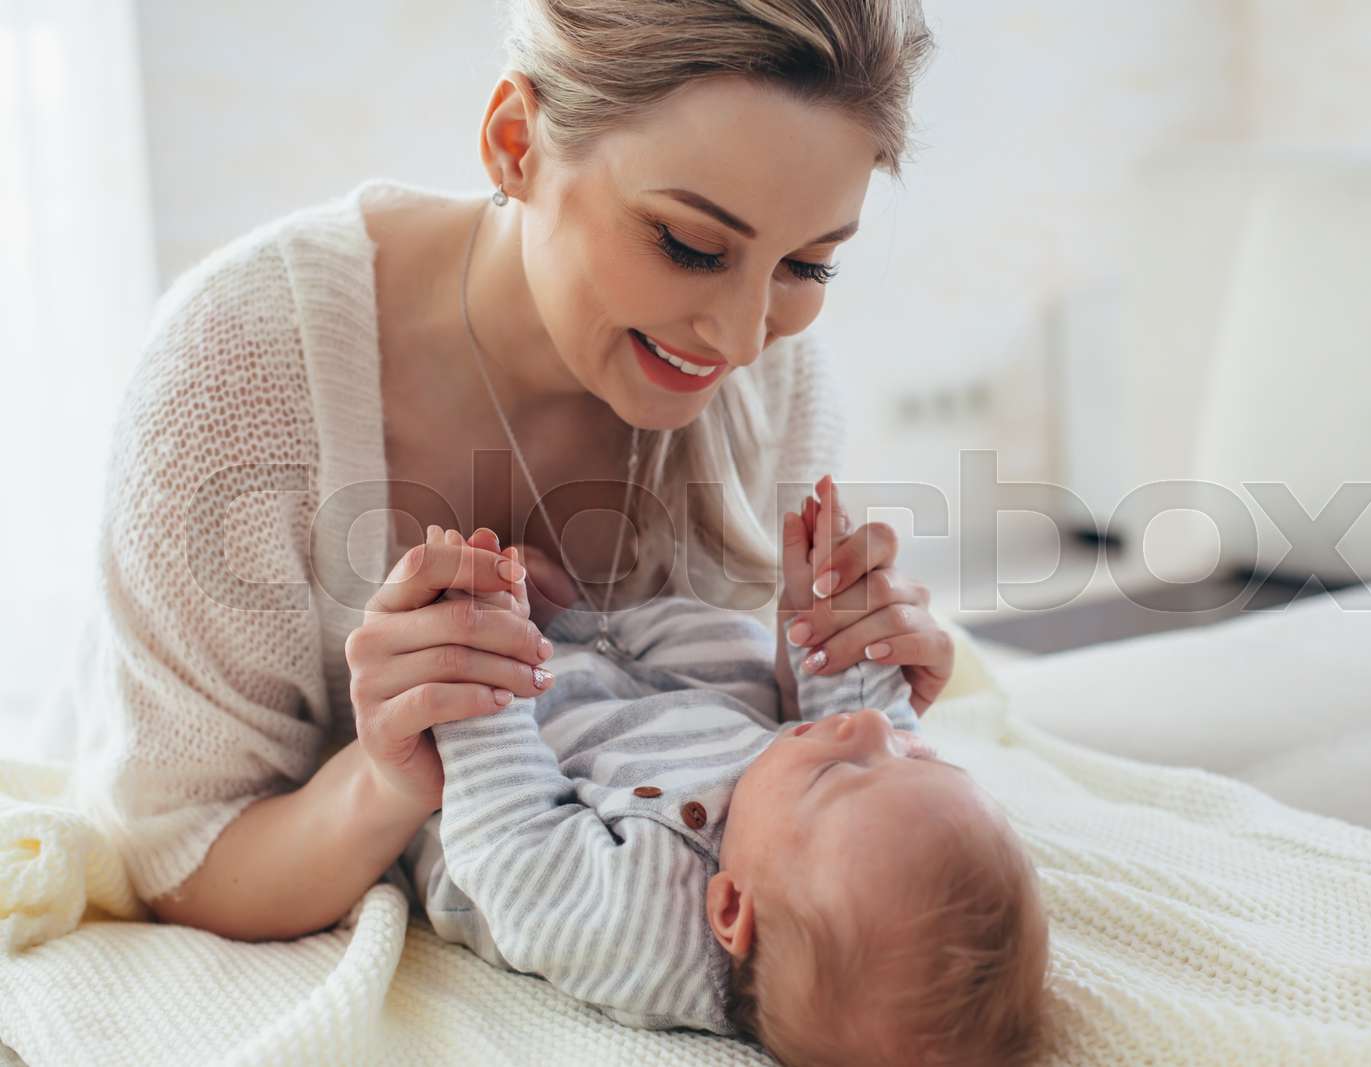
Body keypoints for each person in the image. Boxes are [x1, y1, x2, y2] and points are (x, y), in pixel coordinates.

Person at [67, 0, 956, 943]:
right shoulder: (237, 373)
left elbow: (695, 752)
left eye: (807, 266)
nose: (742, 338)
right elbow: (178, 856)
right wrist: (382, 780)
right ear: (513, 142)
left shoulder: (776, 381)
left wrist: (822, 691)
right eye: (690, 246)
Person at [408, 482, 1047, 1065]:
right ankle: (584, 621)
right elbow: (874, 726)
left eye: (836, 775)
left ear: (731, 907)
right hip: (676, 719)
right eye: (920, 760)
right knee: (729, 655)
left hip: (534, 761)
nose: (876, 733)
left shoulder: (644, 934)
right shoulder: (814, 843)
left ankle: (554, 630)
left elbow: (511, 845)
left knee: (639, 675)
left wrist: (486, 657)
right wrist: (829, 608)